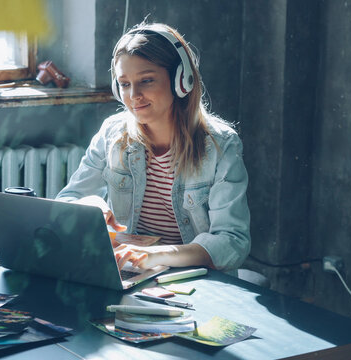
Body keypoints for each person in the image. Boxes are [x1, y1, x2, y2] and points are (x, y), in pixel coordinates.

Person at [56, 22, 250, 273]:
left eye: (146, 80)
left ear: (181, 80)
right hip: (130, 271)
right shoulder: (111, 133)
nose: (133, 95)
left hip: (192, 279)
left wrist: (157, 255)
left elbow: (232, 242)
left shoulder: (221, 145)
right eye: (124, 84)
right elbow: (66, 201)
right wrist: (92, 204)